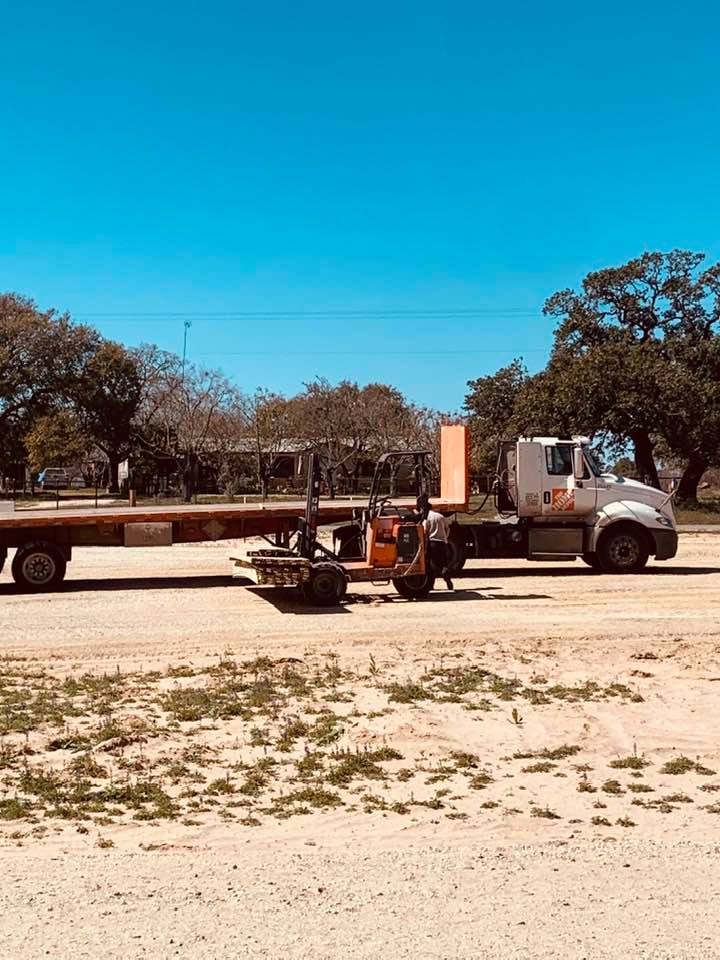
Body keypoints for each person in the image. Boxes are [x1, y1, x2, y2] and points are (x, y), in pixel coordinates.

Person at [416, 497, 454, 590]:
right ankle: (447, 578)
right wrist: (445, 538)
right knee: (443, 563)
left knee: (430, 565)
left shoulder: (427, 518)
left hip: (432, 543)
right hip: (442, 543)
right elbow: (447, 529)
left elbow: (425, 531)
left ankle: (431, 585)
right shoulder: (441, 516)